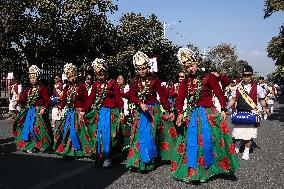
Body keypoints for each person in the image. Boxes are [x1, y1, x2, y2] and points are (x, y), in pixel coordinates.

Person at [171, 48, 239, 182]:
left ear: (197, 63)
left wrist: (224, 110)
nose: (190, 69)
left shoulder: (209, 77)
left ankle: (209, 170)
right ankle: (193, 170)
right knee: (192, 142)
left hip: (208, 114)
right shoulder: (185, 81)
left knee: (208, 141)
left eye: (191, 65)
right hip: (192, 115)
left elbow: (219, 93)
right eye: (187, 66)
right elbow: (179, 99)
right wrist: (179, 113)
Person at [126, 51, 174, 172]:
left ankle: (149, 163)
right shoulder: (134, 81)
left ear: (148, 67)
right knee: (139, 137)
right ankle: (138, 163)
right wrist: (140, 103)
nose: (142, 71)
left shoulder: (155, 80)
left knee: (151, 136)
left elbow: (162, 96)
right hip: (140, 111)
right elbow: (131, 95)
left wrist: (170, 110)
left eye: (144, 68)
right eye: (139, 69)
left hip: (153, 111)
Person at [84, 59, 124, 168]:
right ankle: (100, 156)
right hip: (100, 113)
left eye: (102, 74)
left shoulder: (112, 83)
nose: (100, 77)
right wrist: (84, 109)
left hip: (111, 113)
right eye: (98, 74)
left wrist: (121, 110)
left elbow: (118, 97)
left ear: (106, 73)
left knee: (110, 136)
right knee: (99, 135)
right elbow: (90, 98)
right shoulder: (96, 84)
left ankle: (109, 156)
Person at [228, 65, 268, 160]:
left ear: (252, 75)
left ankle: (246, 151)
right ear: (242, 76)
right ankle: (238, 143)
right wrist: (225, 108)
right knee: (237, 133)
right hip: (239, 113)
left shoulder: (257, 87)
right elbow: (233, 99)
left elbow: (262, 99)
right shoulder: (238, 87)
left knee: (248, 135)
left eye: (248, 75)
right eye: (244, 75)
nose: (246, 77)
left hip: (251, 114)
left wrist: (264, 107)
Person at [53, 63, 93, 157]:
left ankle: (79, 149)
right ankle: (69, 149)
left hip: (78, 112)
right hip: (70, 111)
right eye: (70, 76)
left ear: (76, 75)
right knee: (67, 129)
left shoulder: (82, 86)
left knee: (77, 130)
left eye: (73, 75)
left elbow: (86, 100)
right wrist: (60, 107)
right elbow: (64, 99)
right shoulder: (67, 87)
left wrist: (84, 110)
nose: (72, 78)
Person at [12, 65, 52, 153]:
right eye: (31, 78)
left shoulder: (42, 88)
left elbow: (48, 101)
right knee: (25, 126)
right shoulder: (28, 89)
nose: (32, 79)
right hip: (30, 111)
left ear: (38, 78)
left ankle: (40, 145)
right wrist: (17, 100)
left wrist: (44, 108)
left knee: (36, 128)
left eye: (34, 77)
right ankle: (30, 144)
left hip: (38, 112)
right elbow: (23, 98)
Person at [117, 74, 131, 151]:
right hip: (117, 110)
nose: (119, 80)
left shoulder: (126, 87)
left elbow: (128, 95)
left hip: (125, 109)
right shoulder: (115, 88)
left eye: (121, 78)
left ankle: (127, 146)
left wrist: (119, 94)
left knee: (127, 128)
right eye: (118, 78)